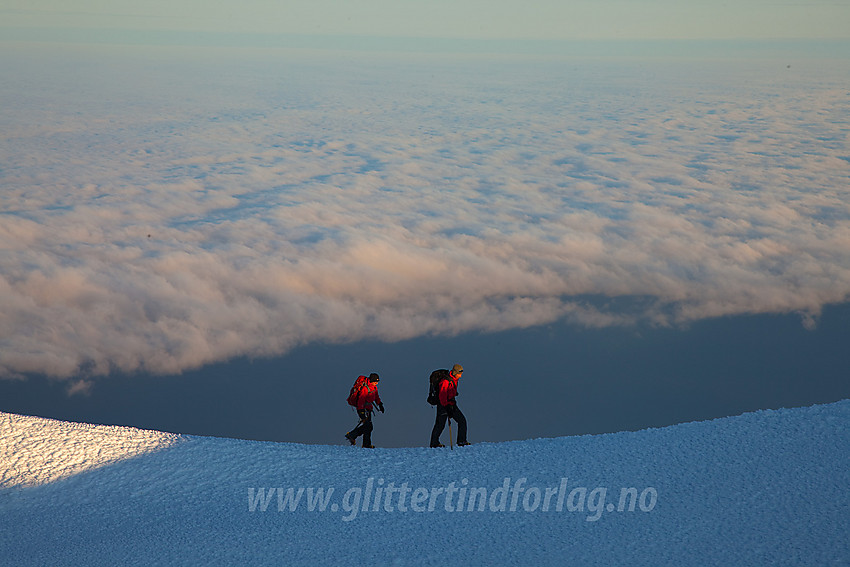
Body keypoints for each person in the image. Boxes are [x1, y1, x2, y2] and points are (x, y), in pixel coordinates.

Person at [430, 364, 469, 448]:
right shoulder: (446, 381)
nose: (460, 376)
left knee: (462, 421)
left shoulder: (455, 380)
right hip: (443, 406)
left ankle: (462, 441)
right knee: (440, 424)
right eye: (459, 374)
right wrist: (446, 407)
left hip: (451, 404)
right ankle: (434, 443)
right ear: (455, 372)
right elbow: (442, 396)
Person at [345, 373, 384, 448]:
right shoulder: (365, 389)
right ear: (372, 380)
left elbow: (376, 397)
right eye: (375, 381)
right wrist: (361, 412)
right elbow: (361, 401)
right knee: (368, 426)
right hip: (364, 409)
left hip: (368, 409)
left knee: (368, 427)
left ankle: (353, 436)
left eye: (377, 381)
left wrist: (380, 404)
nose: (377, 383)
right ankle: (362, 442)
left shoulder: (374, 387)